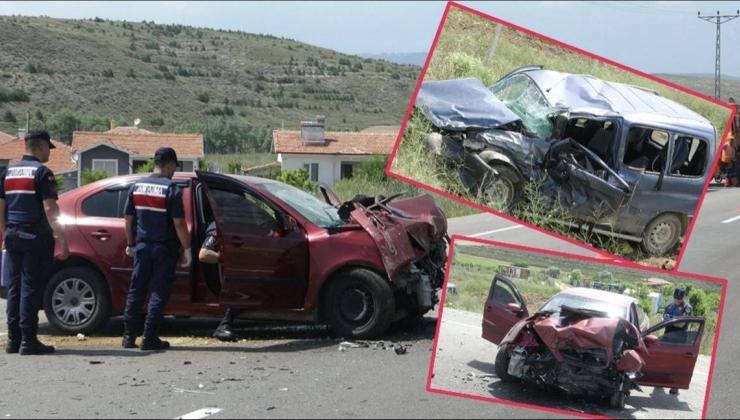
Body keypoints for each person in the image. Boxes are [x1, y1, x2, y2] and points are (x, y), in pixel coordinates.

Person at [0, 130, 69, 355]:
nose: (49, 152)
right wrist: (62, 239)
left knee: (14, 287)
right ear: (40, 147)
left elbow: (1, 207)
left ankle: (13, 340)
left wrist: (5, 233)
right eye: (48, 147)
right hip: (34, 237)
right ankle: (29, 341)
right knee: (30, 287)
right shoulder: (42, 173)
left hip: (13, 234)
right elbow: (50, 209)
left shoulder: (8, 172)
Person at [121, 147, 191, 351]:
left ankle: (128, 337)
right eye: (174, 167)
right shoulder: (172, 189)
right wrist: (187, 249)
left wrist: (130, 243)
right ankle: (149, 337)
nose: (174, 172)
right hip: (164, 249)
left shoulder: (137, 186)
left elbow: (128, 219)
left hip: (142, 246)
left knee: (136, 290)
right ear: (169, 165)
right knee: (159, 292)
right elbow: (179, 224)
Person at [198, 221, 241, 341]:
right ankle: (224, 325)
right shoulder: (217, 228)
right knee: (242, 289)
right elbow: (203, 254)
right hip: (220, 279)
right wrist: (224, 258)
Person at [662, 287, 693, 395]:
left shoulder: (687, 308)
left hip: (679, 340)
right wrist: (667, 319)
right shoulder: (669, 306)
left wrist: (670, 320)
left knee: (677, 364)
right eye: (676, 298)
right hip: (667, 337)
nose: (677, 300)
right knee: (664, 361)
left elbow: (681, 324)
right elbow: (663, 320)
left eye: (679, 298)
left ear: (683, 297)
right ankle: (659, 381)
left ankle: (674, 386)